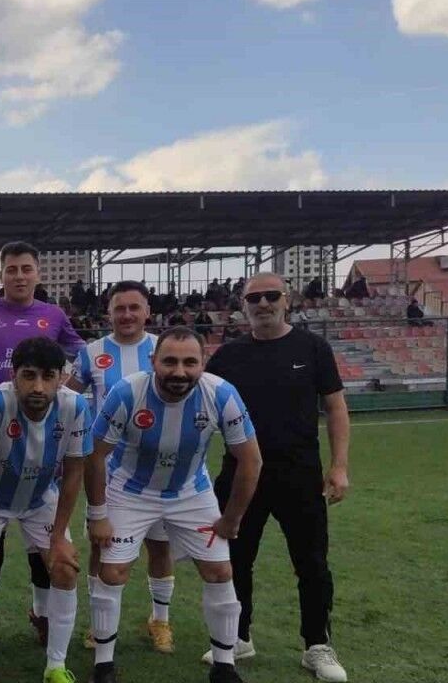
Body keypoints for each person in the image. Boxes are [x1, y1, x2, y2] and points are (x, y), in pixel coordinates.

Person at [85, 326, 263, 683]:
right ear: (154, 361)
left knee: (220, 572)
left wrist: (232, 518)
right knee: (113, 572)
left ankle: (224, 667)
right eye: (170, 362)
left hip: (190, 492)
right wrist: (98, 514)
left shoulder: (222, 394)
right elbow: (94, 455)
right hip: (130, 492)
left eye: (189, 363)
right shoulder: (127, 392)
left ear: (203, 363)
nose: (179, 371)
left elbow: (251, 459)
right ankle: (103, 666)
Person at [204, 272, 351, 682]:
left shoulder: (313, 348)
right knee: (235, 560)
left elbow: (336, 407)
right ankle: (238, 637)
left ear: (287, 300)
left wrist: (339, 466)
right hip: (240, 476)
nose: (263, 304)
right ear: (243, 305)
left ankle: (316, 645)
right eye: (254, 298)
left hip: (300, 474)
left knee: (312, 563)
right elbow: (201, 409)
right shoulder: (227, 357)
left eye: (271, 296)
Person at [0, 240, 86, 644]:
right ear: (1, 275)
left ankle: (42, 616)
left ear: (37, 273)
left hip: (40, 439)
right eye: (11, 269)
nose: (19, 276)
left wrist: (70, 386)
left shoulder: (53, 315)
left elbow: (83, 353)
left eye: (26, 268)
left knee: (40, 547)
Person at [0, 337, 91, 683]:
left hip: (40, 498)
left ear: (61, 377)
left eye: (48, 377)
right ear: (13, 375)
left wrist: (60, 537)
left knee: (65, 568)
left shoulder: (75, 406)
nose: (38, 387)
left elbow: (74, 471)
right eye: (29, 375)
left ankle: (56, 666)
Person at [67, 281, 176, 654]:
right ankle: (99, 624)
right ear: (108, 312)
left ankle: (160, 620)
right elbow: (67, 398)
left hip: (160, 471)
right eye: (119, 308)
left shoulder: (165, 349)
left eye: (134, 307)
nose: (127, 315)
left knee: (159, 548)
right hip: (109, 474)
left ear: (147, 311)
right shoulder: (91, 353)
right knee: (102, 547)